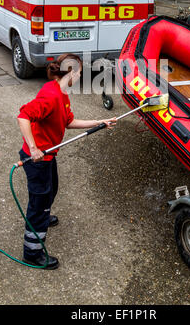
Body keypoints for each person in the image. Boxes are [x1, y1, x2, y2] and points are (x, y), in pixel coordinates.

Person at [17, 53, 116, 269]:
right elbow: (23, 116)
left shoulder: (61, 93)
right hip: (37, 158)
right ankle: (32, 253)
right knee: (40, 202)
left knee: (51, 191)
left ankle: (43, 215)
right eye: (79, 72)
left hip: (48, 155)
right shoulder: (51, 96)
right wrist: (33, 148)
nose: (80, 76)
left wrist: (100, 122)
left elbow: (69, 122)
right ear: (70, 72)